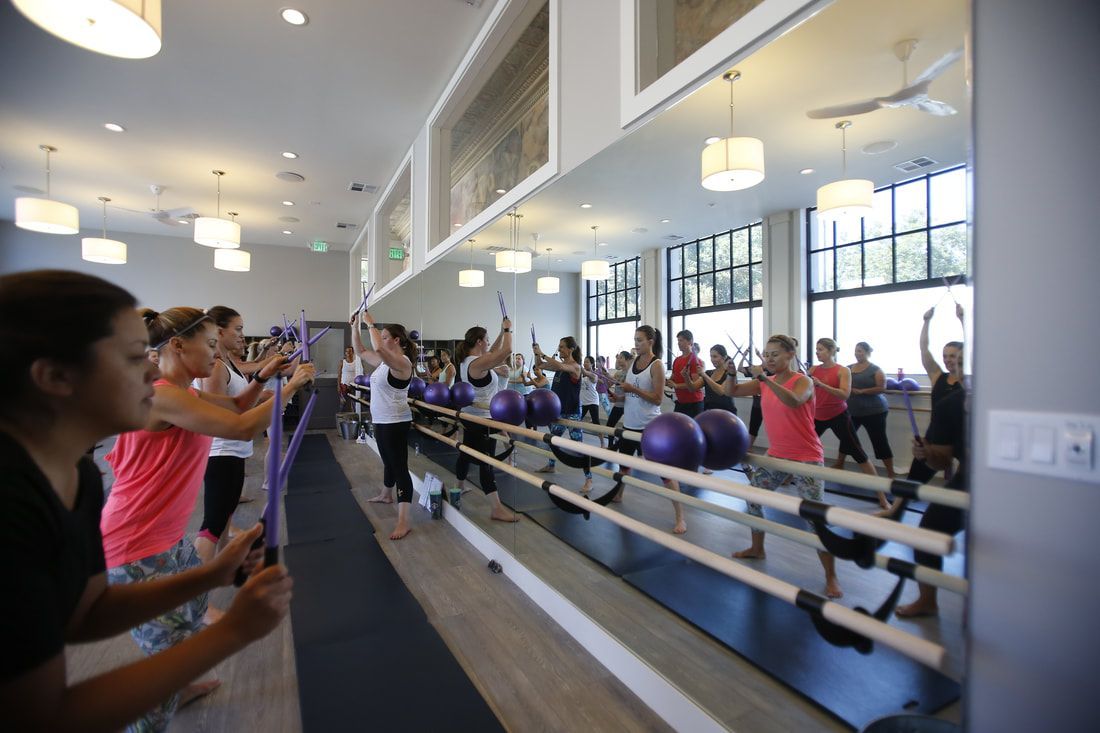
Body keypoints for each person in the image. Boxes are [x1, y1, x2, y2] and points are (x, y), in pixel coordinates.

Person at [1, 272, 293, 733]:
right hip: (135, 543)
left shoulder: (80, 478)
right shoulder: (14, 505)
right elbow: (40, 716)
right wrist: (235, 630)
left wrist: (214, 574)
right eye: (136, 358)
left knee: (186, 621)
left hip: (152, 539)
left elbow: (85, 615)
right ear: (55, 377)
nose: (154, 373)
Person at [100, 306, 313, 729]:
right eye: (212, 344)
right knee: (167, 661)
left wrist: (263, 376)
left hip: (163, 537)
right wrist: (290, 388)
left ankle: (179, 685)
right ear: (178, 346)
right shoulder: (161, 395)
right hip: (135, 545)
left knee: (194, 609)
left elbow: (235, 405)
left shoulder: (185, 394)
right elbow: (240, 428)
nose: (218, 354)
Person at [727, 334, 843, 599]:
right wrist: (732, 374)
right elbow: (730, 391)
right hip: (777, 455)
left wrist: (765, 379)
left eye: (775, 354)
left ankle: (831, 576)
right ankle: (757, 548)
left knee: (814, 517)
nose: (769, 359)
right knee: (753, 496)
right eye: (766, 354)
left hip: (806, 456)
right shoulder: (763, 383)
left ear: (790, 355)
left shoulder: (803, 381)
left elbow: (794, 400)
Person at [195, 306, 285, 605]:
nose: (242, 335)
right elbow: (222, 413)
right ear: (219, 331)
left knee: (222, 522)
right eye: (238, 329)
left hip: (233, 451)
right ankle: (199, 602)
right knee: (212, 526)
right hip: (220, 451)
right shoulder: (217, 367)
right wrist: (268, 399)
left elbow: (240, 398)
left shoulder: (228, 363)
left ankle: (217, 577)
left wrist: (267, 388)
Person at [895, 385, 967, 617]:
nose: (955, 367)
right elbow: (942, 462)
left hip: (1011, 484)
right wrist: (927, 455)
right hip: (968, 481)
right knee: (927, 532)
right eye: (955, 365)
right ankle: (927, 600)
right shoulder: (950, 404)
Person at [350, 310, 419, 539]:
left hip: (395, 422)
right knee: (388, 461)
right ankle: (386, 494)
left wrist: (370, 324)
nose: (381, 339)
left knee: (399, 468)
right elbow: (361, 351)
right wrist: (355, 326)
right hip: (381, 420)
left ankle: (404, 521)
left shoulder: (403, 363)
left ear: (396, 340)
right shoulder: (383, 363)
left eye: (385, 336)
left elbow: (378, 348)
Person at [613, 326, 687, 534]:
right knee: (623, 465)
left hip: (650, 427)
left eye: (640, 340)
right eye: (635, 340)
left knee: (665, 474)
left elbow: (657, 398)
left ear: (651, 342)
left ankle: (680, 517)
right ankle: (618, 494)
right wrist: (619, 397)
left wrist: (632, 389)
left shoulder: (657, 365)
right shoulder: (633, 363)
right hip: (629, 424)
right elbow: (631, 395)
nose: (636, 344)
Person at [451, 321, 519, 522]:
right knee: (486, 462)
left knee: (466, 454)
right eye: (487, 340)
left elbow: (494, 350)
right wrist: (507, 330)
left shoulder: (467, 361)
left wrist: (500, 333)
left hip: (472, 416)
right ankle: (496, 508)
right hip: (482, 420)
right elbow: (506, 350)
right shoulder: (477, 364)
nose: (489, 343)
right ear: (479, 342)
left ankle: (458, 487)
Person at [809, 338, 884, 507]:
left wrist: (821, 384)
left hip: (839, 416)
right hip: (817, 416)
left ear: (831, 351)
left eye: (820, 349)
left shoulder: (843, 370)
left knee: (859, 454)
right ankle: (788, 477)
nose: (817, 352)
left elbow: (844, 394)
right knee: (802, 447)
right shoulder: (813, 369)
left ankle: (882, 497)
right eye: (816, 349)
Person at [909, 304, 966, 482]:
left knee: (963, 482)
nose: (948, 360)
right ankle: (898, 504)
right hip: (937, 434)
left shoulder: (970, 382)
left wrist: (963, 320)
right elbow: (924, 349)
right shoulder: (937, 376)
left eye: (953, 356)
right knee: (914, 478)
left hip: (962, 436)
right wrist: (926, 321)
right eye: (945, 356)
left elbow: (974, 347)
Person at [533, 336, 594, 495]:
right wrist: (536, 354)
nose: (559, 349)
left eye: (562, 347)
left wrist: (542, 352)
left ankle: (589, 479)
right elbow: (539, 365)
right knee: (552, 440)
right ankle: (551, 465)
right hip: (558, 412)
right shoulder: (560, 367)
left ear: (571, 349)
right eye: (559, 346)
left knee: (578, 447)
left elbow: (559, 365)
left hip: (572, 414)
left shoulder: (575, 367)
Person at [835, 342, 895, 478]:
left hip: (875, 412)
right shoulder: (848, 369)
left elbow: (882, 388)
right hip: (852, 412)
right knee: (847, 438)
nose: (857, 353)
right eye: (856, 351)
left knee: (879, 441)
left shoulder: (875, 370)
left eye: (860, 351)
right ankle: (839, 464)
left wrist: (862, 391)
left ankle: (891, 473)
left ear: (868, 352)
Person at [668, 329, 705, 417]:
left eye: (681, 340)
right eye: (678, 341)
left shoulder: (695, 360)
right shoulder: (677, 360)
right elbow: (673, 377)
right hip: (681, 402)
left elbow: (695, 385)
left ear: (690, 342)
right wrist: (666, 381)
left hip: (694, 403)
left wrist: (676, 385)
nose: (678, 343)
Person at [579, 356, 606, 449]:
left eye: (587, 362)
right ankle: (577, 440)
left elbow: (587, 373)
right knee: (577, 420)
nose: (584, 363)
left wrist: (577, 365)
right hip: (583, 402)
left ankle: (602, 443)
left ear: (592, 364)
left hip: (593, 401)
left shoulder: (594, 375)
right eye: (584, 362)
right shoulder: (581, 375)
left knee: (596, 422)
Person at [339, 345, 364, 412]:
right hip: (344, 385)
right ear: (345, 353)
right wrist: (338, 386)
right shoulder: (342, 362)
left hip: (353, 385)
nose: (348, 353)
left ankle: (354, 416)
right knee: (343, 402)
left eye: (350, 351)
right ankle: (340, 415)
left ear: (353, 352)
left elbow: (361, 372)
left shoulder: (357, 362)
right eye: (347, 351)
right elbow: (339, 374)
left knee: (354, 403)